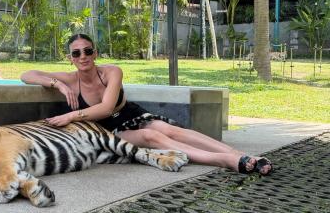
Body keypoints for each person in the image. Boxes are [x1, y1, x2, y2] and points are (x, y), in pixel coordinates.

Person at [21, 33, 273, 175]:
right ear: (70, 58)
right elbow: (27, 74)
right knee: (152, 137)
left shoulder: (111, 72)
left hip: (128, 115)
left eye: (88, 51)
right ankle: (223, 161)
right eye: (77, 53)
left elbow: (107, 107)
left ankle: (238, 154)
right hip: (108, 131)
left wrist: (71, 115)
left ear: (95, 53)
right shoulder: (70, 79)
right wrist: (58, 84)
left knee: (169, 130)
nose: (83, 56)